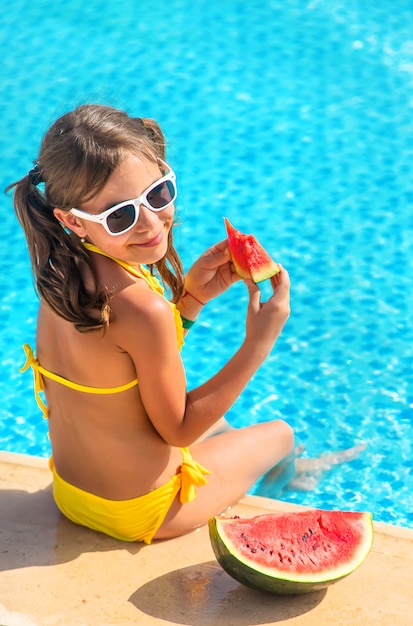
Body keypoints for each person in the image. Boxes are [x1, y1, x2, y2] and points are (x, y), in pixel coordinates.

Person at [7, 104, 294, 544]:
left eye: (157, 194)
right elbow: (178, 430)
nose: (150, 223)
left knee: (223, 429)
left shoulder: (60, 278)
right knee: (280, 435)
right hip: (144, 512)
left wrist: (191, 299)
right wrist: (259, 340)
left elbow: (120, 365)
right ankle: (289, 489)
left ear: (165, 173)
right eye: (119, 215)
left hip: (72, 496)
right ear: (70, 220)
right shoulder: (145, 309)